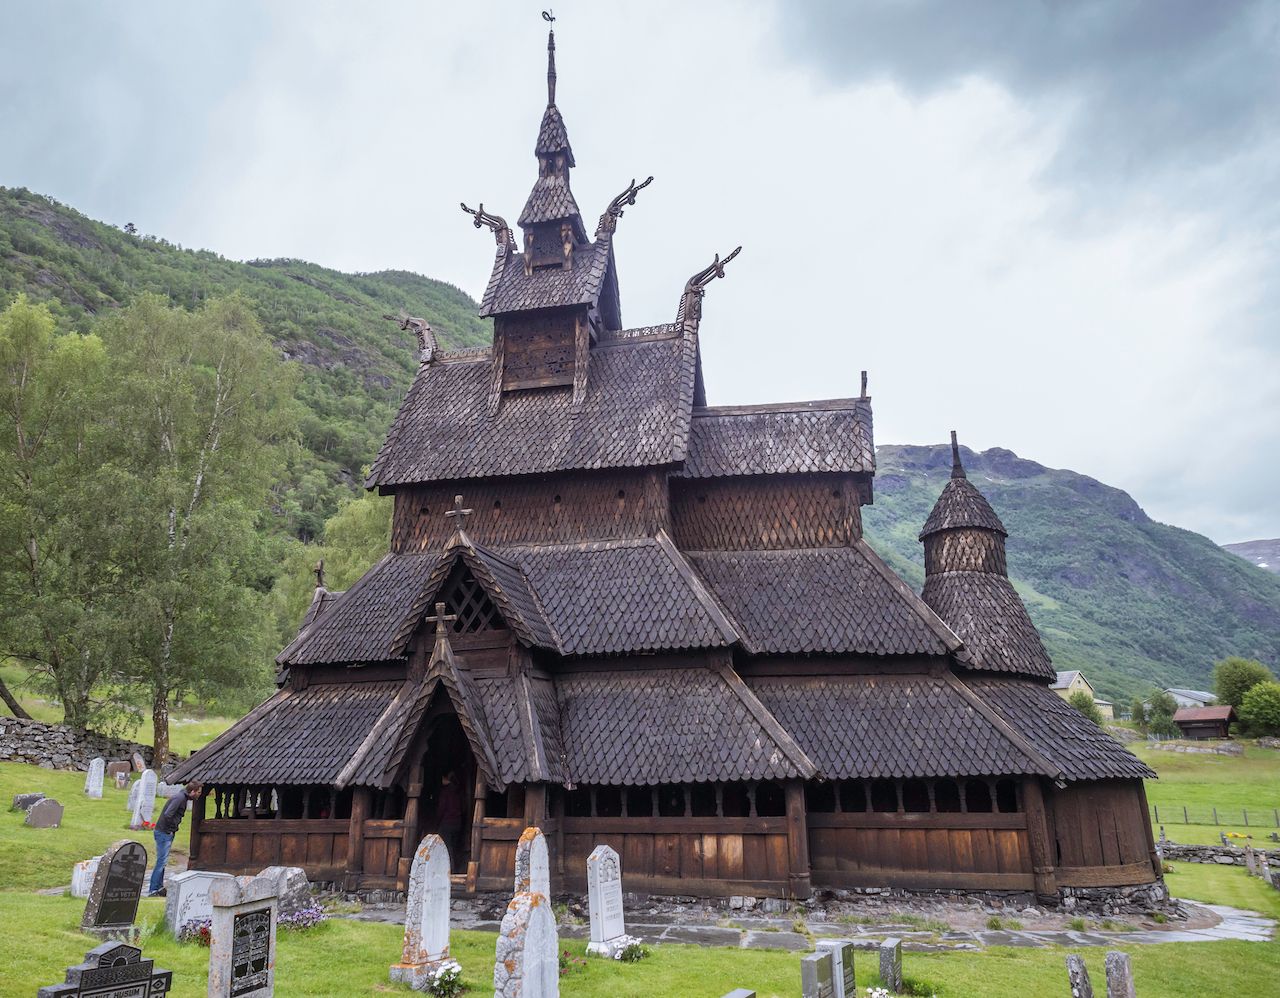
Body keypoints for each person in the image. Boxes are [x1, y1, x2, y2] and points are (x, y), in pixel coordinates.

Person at [148, 780, 203, 896]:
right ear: (192, 791)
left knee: (163, 861)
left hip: (166, 832)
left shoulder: (182, 797)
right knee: (161, 861)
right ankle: (153, 889)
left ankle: (159, 888)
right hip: (164, 832)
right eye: (198, 792)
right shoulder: (179, 798)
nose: (199, 794)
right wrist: (171, 828)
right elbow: (168, 814)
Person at [436, 771, 462, 871]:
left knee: (446, 847)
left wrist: (437, 821)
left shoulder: (445, 792)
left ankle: (449, 869)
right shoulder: (458, 792)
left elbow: (441, 809)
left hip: (447, 823)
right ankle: (455, 869)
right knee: (454, 847)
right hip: (457, 823)